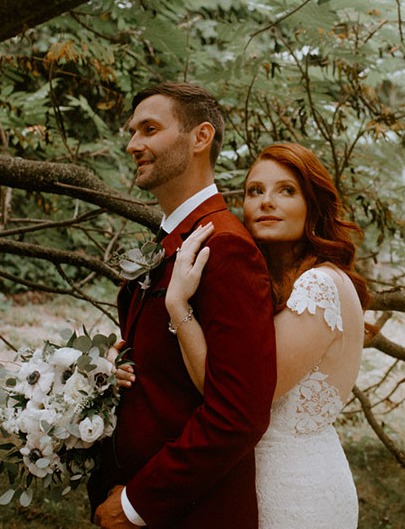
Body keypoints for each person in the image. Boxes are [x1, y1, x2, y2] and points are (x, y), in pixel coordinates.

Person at [117, 142, 369, 529]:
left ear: (313, 205)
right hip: (239, 483)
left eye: (287, 190)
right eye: (256, 191)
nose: (267, 202)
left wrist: (178, 307)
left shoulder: (318, 286)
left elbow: (231, 395)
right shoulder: (271, 285)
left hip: (294, 492)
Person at [87, 82, 277, 528]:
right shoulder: (175, 236)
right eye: (132, 132)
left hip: (191, 512)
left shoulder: (226, 247)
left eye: (149, 129)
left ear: (200, 137)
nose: (134, 144)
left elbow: (239, 416)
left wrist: (136, 504)